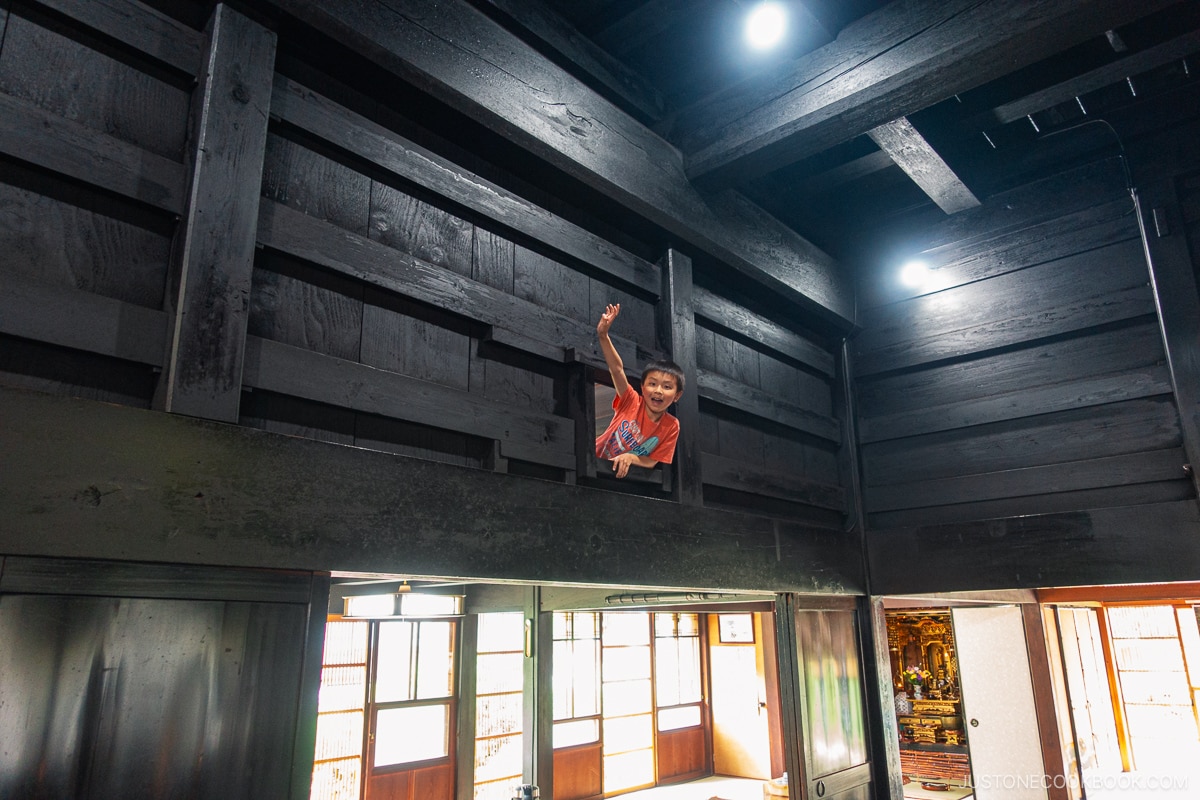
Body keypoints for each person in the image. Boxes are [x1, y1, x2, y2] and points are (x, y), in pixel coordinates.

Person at [594, 303, 685, 478]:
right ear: (642, 388)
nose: (658, 390)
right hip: (594, 458)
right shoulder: (631, 401)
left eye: (667, 387)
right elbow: (617, 369)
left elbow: (651, 461)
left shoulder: (671, 426)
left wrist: (630, 457)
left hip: (616, 475)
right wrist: (603, 335)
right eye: (652, 384)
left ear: (677, 395)